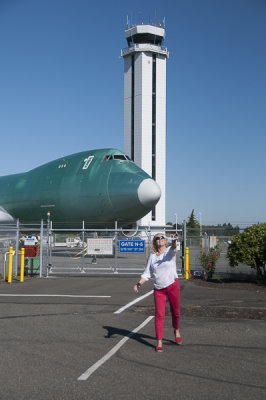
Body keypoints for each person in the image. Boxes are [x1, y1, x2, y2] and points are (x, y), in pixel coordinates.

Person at [133, 233, 181, 352]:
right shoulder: (153, 256)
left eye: (162, 237)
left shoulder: (170, 251)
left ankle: (176, 329)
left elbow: (174, 246)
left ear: (165, 240)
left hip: (172, 286)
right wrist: (139, 283)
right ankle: (159, 341)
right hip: (159, 289)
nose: (161, 239)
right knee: (159, 315)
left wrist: (174, 239)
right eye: (158, 238)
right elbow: (147, 273)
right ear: (155, 242)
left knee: (175, 312)